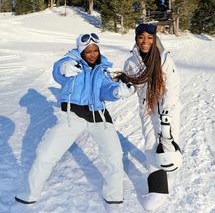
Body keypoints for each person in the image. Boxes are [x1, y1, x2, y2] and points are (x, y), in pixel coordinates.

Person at [15, 33, 134, 205]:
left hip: (98, 116)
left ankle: (114, 196)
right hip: (73, 116)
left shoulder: (102, 69)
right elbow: (58, 72)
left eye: (95, 50)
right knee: (46, 154)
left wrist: (117, 91)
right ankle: (29, 194)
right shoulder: (72, 63)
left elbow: (106, 89)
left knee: (114, 156)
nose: (92, 54)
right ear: (81, 51)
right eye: (88, 51)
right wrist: (64, 69)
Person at [122, 24, 182, 211]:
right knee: (150, 144)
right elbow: (132, 89)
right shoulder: (131, 62)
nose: (145, 41)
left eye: (149, 37)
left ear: (155, 39)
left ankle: (168, 168)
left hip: (167, 110)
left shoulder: (164, 59)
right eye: (141, 37)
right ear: (136, 39)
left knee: (168, 142)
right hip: (146, 110)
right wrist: (123, 86)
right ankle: (159, 189)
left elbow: (172, 89)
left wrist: (166, 115)